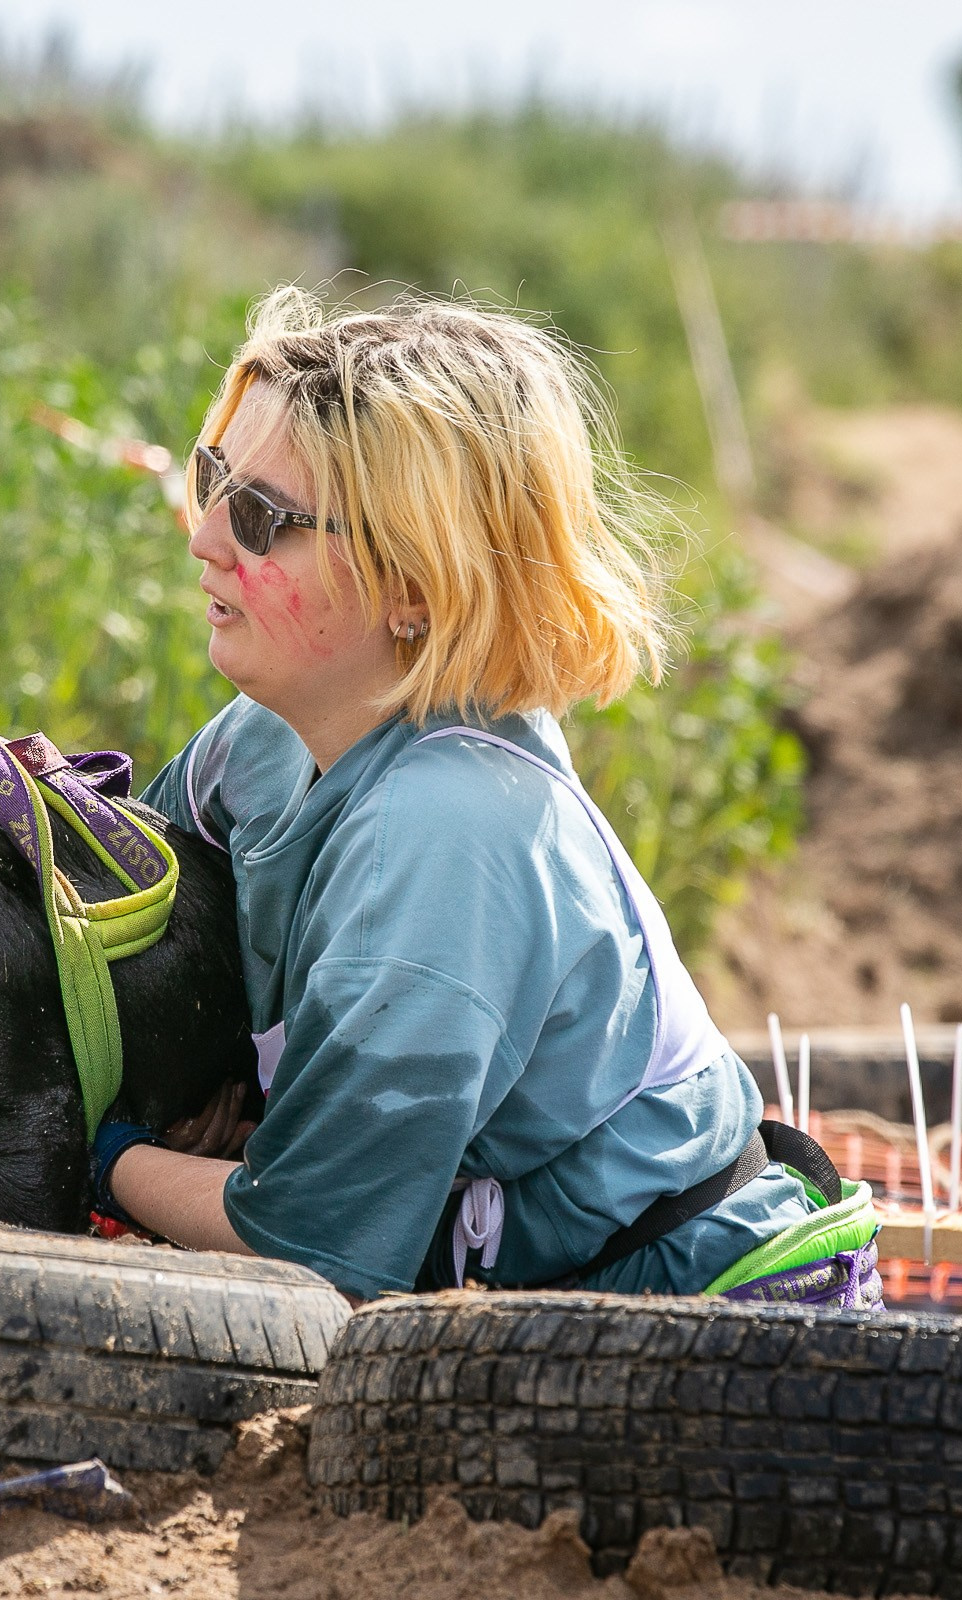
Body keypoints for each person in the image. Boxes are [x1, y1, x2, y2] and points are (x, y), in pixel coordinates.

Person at [89, 288, 880, 1308]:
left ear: (416, 583)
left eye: (262, 517)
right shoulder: (260, 745)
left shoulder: (444, 833)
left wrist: (102, 1150)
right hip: (537, 1278)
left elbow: (307, 1247)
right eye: (211, 480)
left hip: (702, 1307)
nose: (204, 537)